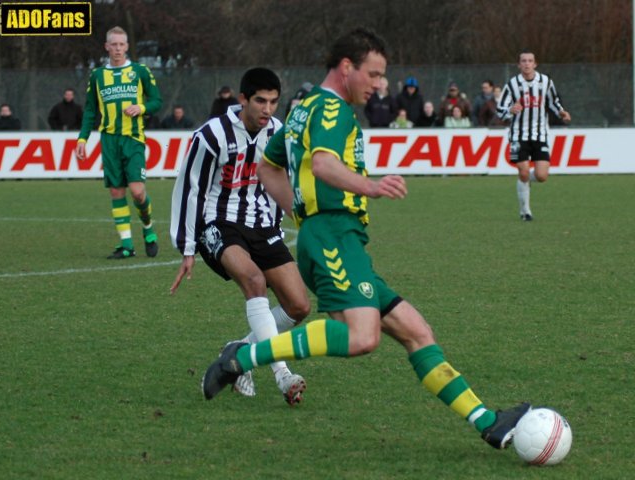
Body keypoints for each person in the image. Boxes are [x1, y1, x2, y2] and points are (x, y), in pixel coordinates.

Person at [202, 28, 530, 451]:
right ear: (346, 68)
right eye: (373, 74)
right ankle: (241, 358)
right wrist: (368, 187)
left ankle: (489, 423)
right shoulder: (333, 110)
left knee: (416, 331)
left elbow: (268, 168)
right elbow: (321, 165)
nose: (379, 85)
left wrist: (302, 212)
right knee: (362, 337)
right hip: (334, 235)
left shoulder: (304, 109)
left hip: (334, 236)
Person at [169, 67, 311, 405]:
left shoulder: (279, 133)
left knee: (298, 305)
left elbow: (284, 182)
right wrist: (188, 247)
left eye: (274, 102)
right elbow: (191, 190)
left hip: (262, 225)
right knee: (254, 280)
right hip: (219, 224)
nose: (267, 109)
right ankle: (282, 375)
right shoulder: (211, 135)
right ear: (243, 99)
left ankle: (240, 353)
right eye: (260, 101)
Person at [76, 26, 162, 259]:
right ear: (107, 47)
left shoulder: (140, 71)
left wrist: (142, 107)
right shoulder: (97, 76)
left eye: (122, 44)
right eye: (113, 44)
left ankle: (148, 228)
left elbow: (156, 100)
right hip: (109, 139)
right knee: (116, 191)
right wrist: (82, 138)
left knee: (137, 191)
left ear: (127, 46)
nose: (118, 49)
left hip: (133, 138)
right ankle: (126, 245)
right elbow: (90, 110)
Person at [497, 50, 571, 221]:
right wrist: (510, 110)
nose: (527, 64)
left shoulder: (545, 81)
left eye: (530, 61)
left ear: (535, 64)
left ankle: (524, 182)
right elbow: (500, 109)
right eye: (523, 61)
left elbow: (554, 101)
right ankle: (525, 212)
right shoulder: (512, 84)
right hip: (518, 134)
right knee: (523, 170)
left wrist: (561, 112)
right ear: (519, 64)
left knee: (541, 176)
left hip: (540, 134)